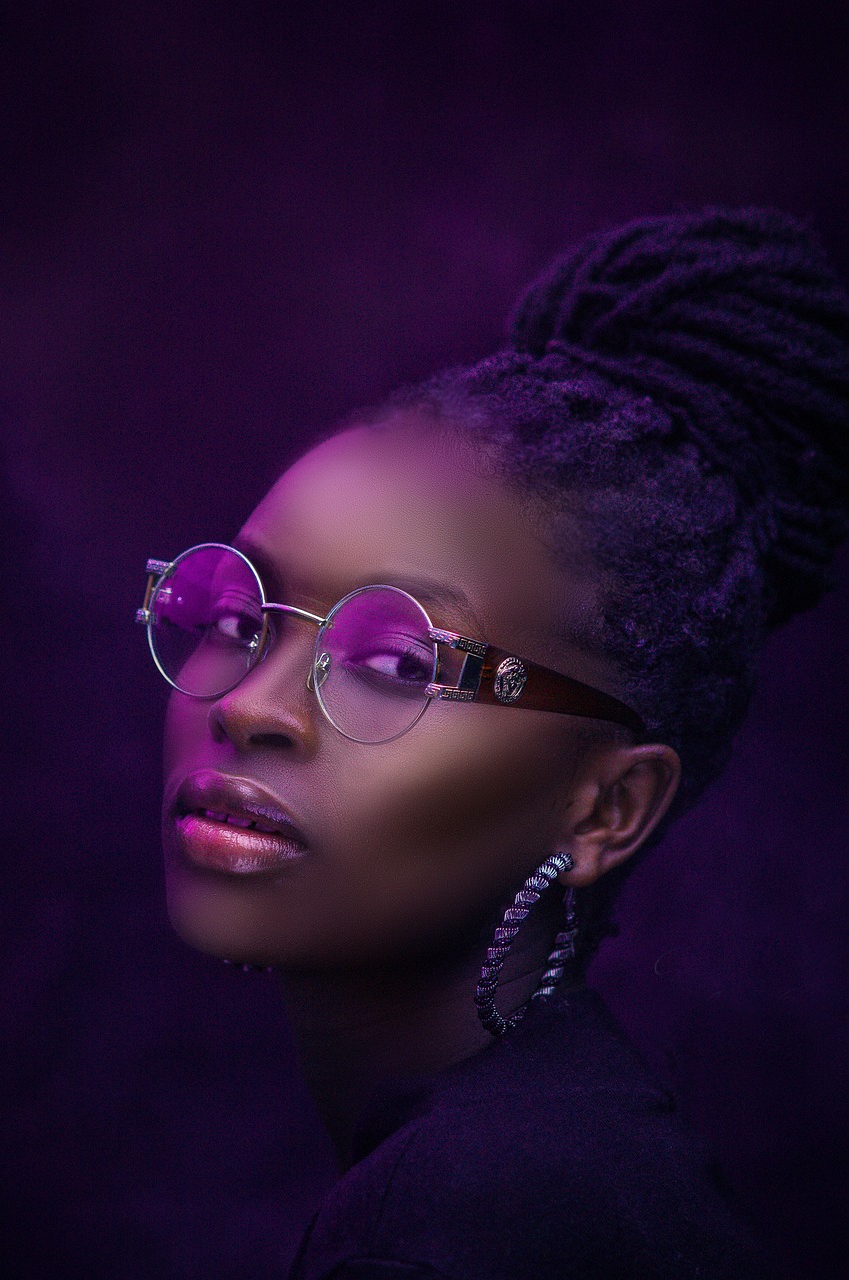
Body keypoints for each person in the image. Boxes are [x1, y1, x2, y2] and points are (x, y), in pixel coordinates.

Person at [138, 207, 849, 1278]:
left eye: (397, 661)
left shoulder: (472, 1225)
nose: (248, 706)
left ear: (607, 806)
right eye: (240, 616)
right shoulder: (542, 1158)